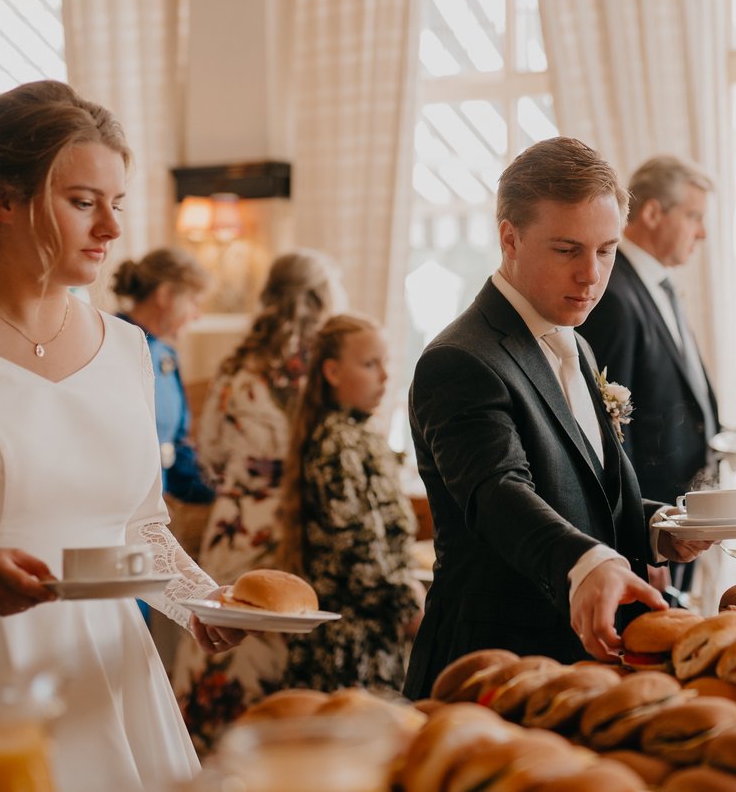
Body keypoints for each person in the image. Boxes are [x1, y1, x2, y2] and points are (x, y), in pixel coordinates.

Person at [0, 80, 246, 791]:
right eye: (83, 201)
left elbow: (138, 525)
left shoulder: (128, 349)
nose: (111, 229)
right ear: (4, 200)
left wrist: (199, 603)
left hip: (101, 674)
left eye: (116, 204)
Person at [403, 137, 708, 699]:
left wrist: (662, 529)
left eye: (607, 250)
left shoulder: (578, 344)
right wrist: (587, 562)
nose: (591, 275)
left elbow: (580, 492)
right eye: (567, 250)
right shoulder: (459, 360)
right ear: (509, 238)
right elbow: (498, 493)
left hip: (581, 663)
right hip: (493, 665)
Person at [171, 248, 341, 751]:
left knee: (226, 623)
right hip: (299, 517)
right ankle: (283, 750)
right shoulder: (328, 363)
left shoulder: (237, 361)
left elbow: (213, 450)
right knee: (284, 633)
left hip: (239, 516)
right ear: (319, 296)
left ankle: (213, 747)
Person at [579, 155, 726, 600]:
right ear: (653, 213)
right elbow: (608, 425)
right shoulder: (614, 294)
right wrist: (639, 540)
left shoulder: (658, 284)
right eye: (694, 217)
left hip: (674, 516)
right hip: (645, 520)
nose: (701, 232)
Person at [280, 313, 421, 693]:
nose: (385, 376)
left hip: (375, 628)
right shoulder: (337, 442)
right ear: (332, 372)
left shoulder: (361, 434)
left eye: (386, 363)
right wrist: (411, 610)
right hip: (351, 640)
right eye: (370, 364)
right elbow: (359, 550)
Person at [112, 248, 215, 506]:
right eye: (194, 301)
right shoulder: (109, 344)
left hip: (153, 506)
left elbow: (176, 449)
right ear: (165, 294)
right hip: (117, 502)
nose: (197, 315)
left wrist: (223, 491)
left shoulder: (166, 356)